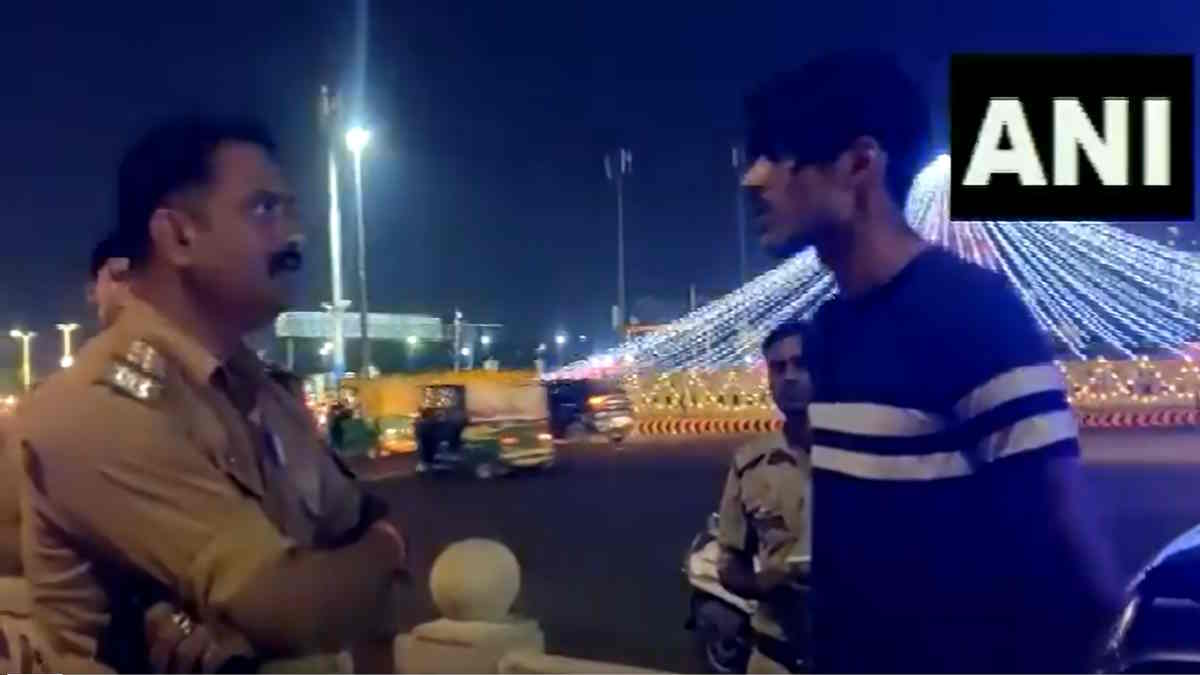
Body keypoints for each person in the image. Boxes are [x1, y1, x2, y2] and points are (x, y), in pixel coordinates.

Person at [741, 52, 1122, 672]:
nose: (753, 179)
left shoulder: (971, 313)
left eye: (778, 156)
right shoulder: (831, 332)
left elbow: (1070, 560)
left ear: (860, 163)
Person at [12, 116, 409, 673]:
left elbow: (357, 525)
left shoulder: (260, 392)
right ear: (178, 236)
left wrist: (369, 548)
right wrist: (389, 549)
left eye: (291, 210)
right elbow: (291, 608)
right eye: (264, 209)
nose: (295, 235)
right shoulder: (95, 410)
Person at [717, 321, 813, 674]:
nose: (790, 377)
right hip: (775, 656)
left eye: (802, 363)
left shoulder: (863, 453)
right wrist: (764, 582)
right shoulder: (750, 463)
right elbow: (729, 563)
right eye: (778, 368)